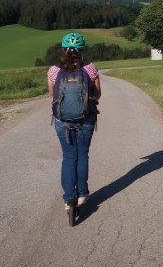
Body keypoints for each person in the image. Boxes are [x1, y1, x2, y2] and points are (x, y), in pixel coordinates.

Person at [47, 33, 101, 212]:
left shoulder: (54, 70)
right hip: (86, 119)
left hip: (63, 121)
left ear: (63, 49)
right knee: (82, 154)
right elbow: (98, 94)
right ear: (82, 49)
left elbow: (52, 95)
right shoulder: (90, 68)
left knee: (69, 156)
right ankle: (83, 194)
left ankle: (69, 196)